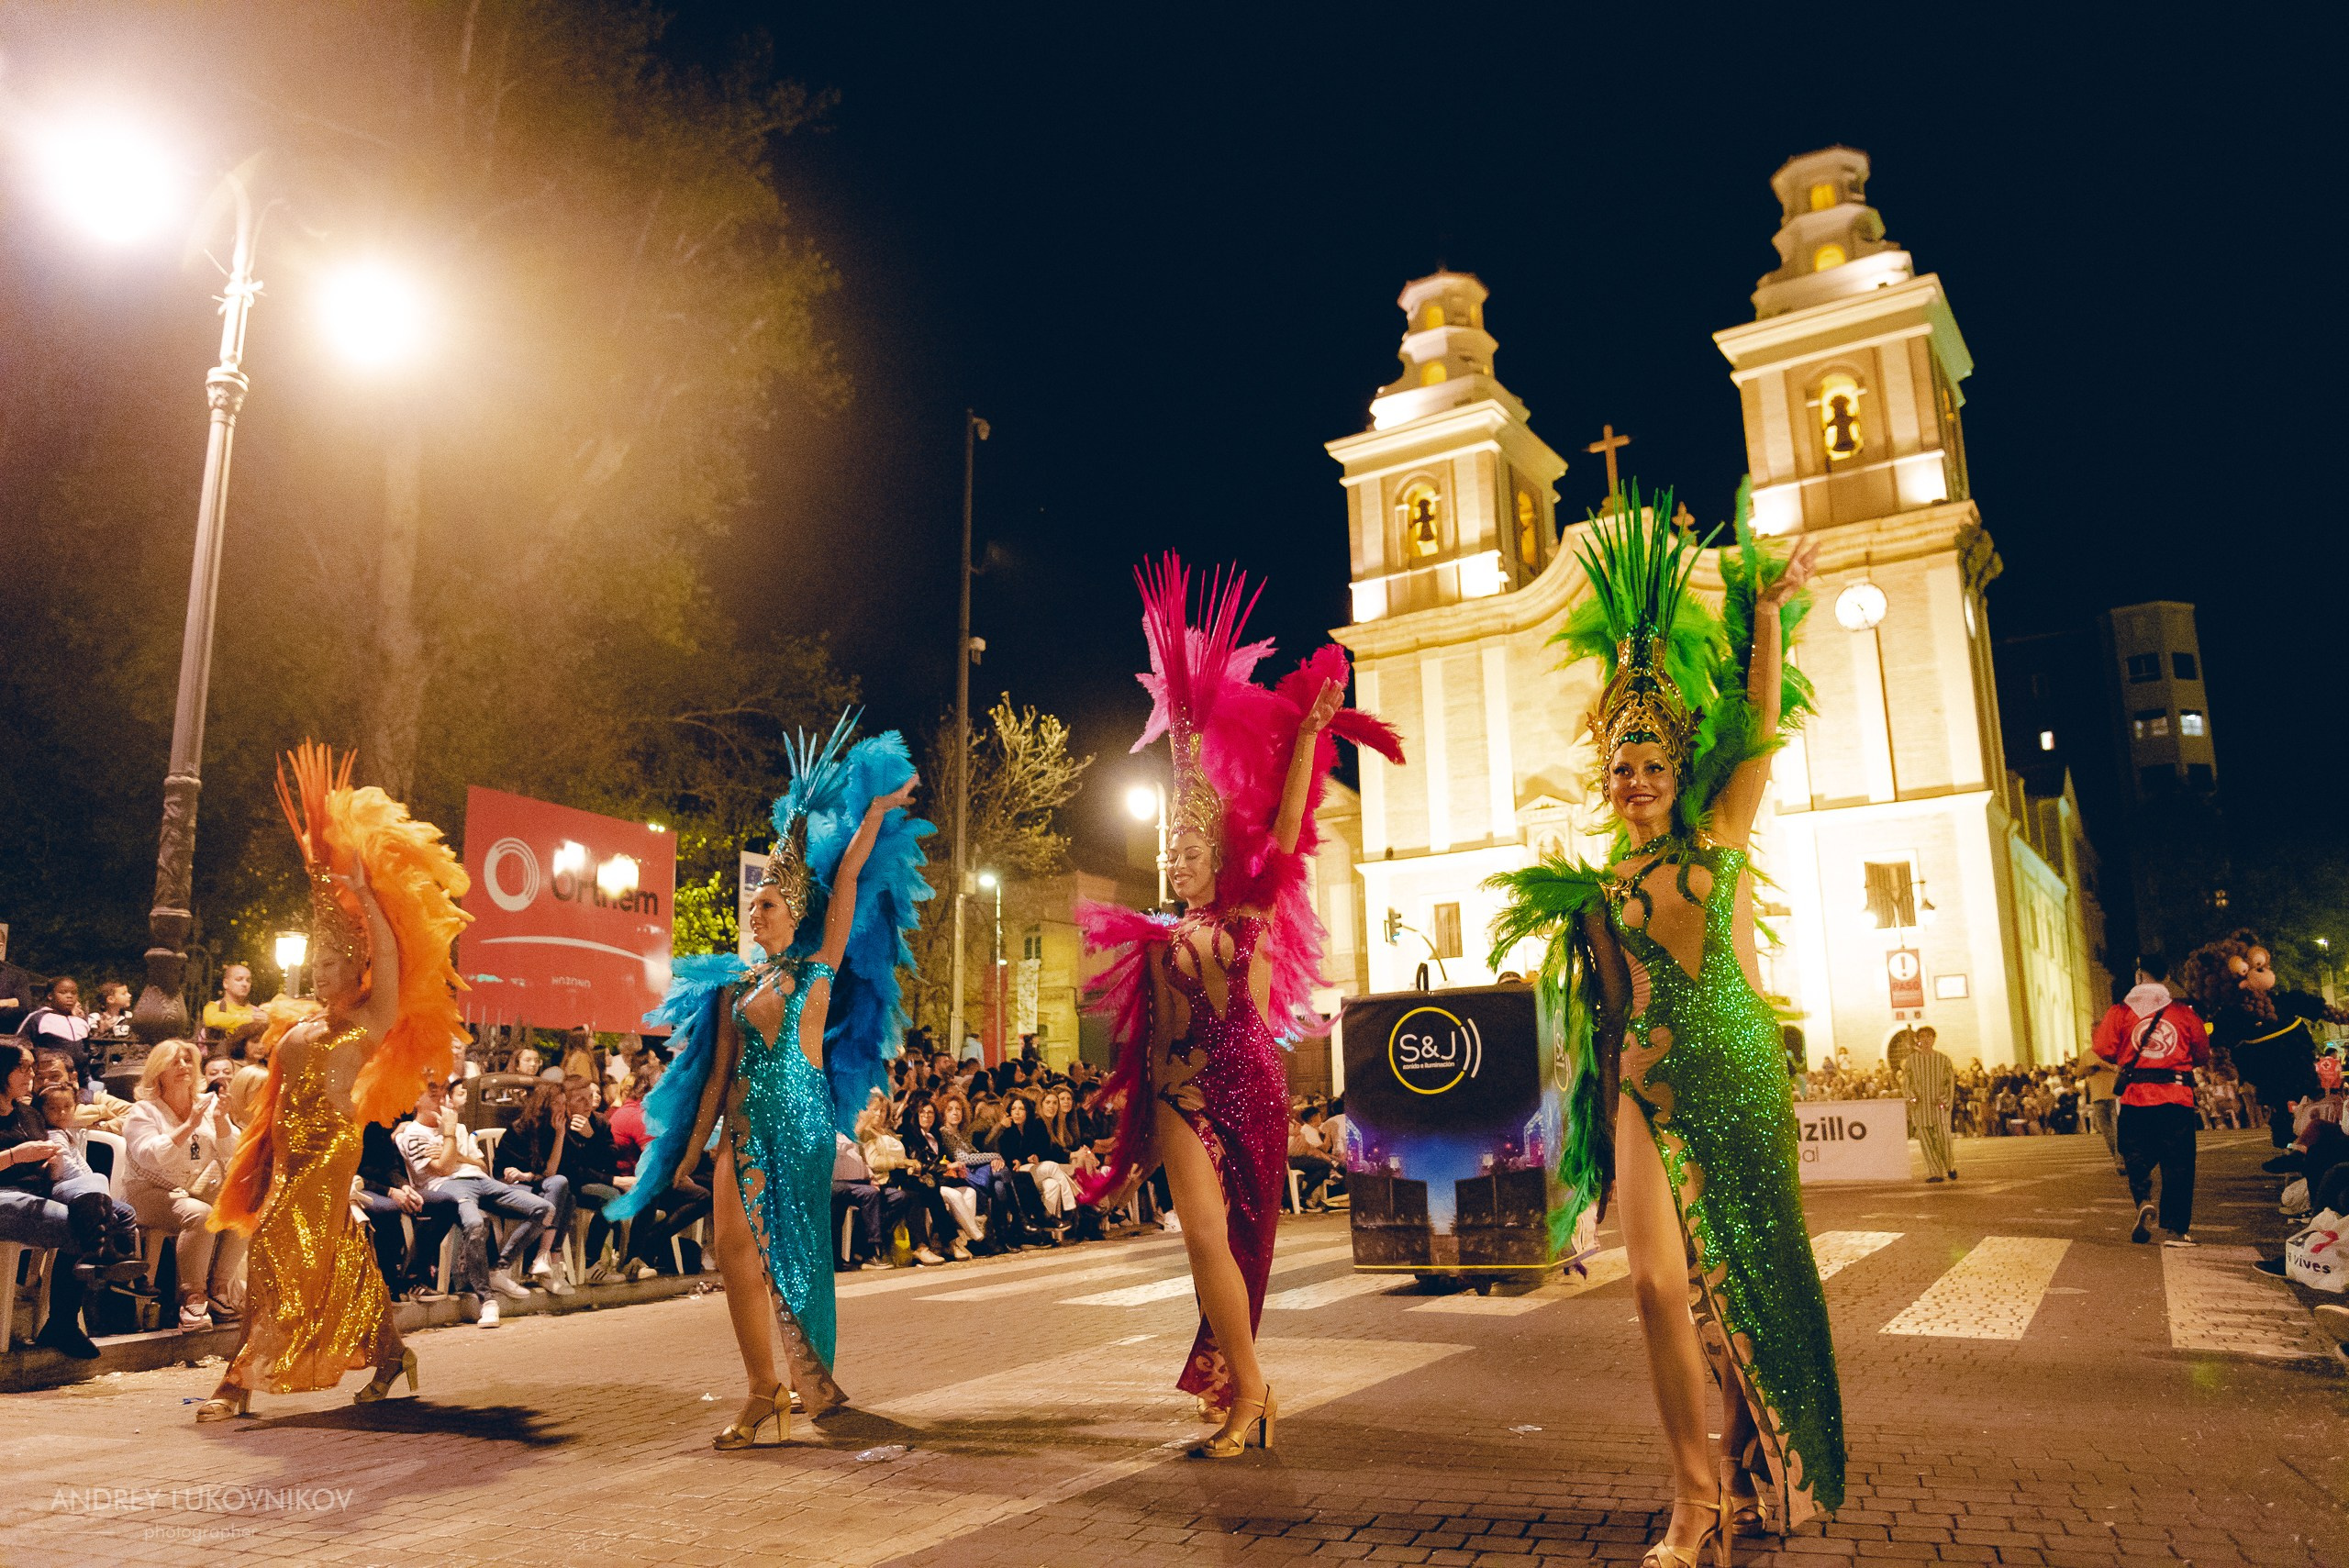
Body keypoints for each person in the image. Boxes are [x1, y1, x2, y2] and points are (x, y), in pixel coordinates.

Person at [1488, 487, 1839, 1553]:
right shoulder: (1597, 892)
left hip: (1734, 1068)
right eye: (1620, 765)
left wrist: (1768, 613)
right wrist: (1578, 1138)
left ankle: (1736, 1465)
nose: (1635, 780)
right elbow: (1600, 1022)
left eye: (1651, 763)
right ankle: (1691, 1490)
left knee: (1739, 1276)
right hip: (1643, 1083)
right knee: (1653, 1280)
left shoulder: (1721, 829)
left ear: (1678, 768)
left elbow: (1765, 723)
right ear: (1603, 777)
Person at [1080, 553, 1402, 1462]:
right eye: (1168, 847)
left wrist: (1307, 733)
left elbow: (1293, 821)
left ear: (1218, 853)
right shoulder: (1154, 936)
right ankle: (1246, 1389)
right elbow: (1144, 1045)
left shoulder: (1249, 906)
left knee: (1237, 1239)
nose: (1176, 858)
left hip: (1247, 1083)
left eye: (1190, 846)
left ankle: (1248, 1389)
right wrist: (1134, 1131)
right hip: (1180, 1094)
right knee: (1201, 1239)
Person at [607, 715, 930, 1447]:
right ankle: (763, 1390)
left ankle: (805, 1380)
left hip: (804, 1125)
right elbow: (719, 1071)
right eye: (754, 903)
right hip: (743, 1125)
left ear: (796, 913)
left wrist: (877, 810)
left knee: (794, 1252)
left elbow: (846, 878)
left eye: (769, 903)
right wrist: (691, 1150)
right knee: (731, 1249)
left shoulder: (818, 970)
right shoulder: (734, 983)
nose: (756, 911)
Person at [199, 742, 471, 1418]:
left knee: (276, 1251)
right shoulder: (297, 1029)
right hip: (288, 1155)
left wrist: (357, 882)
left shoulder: (368, 1022)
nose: (320, 973)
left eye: (331, 962)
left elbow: (384, 943)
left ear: (356, 971)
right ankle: (389, 1350)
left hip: (331, 1152)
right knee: (337, 1252)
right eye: (315, 963)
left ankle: (238, 1379)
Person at [0, 1042, 145, 1357]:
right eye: (22, 1068)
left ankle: (109, 1259)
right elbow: (15, 1160)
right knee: (77, 1224)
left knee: (114, 1209)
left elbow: (46, 1162)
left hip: (39, 1189)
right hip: (4, 1196)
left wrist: (45, 1160)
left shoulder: (28, 1114)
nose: (32, 1074)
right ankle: (65, 1319)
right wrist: (13, 1156)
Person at [394, 1075, 554, 1321]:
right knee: (475, 1224)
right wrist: (448, 1134)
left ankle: (497, 1269)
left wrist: (455, 1150)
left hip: (480, 1180)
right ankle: (486, 1299)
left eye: (443, 1091)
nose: (441, 1096)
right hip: (449, 1186)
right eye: (432, 1092)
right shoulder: (411, 1134)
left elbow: (477, 1163)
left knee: (544, 1208)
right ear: (415, 1100)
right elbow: (443, 1170)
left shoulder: (456, 1127)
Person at [121, 1040, 246, 1330]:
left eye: (188, 1060)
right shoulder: (143, 1111)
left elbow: (233, 1150)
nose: (183, 1066)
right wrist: (190, 1124)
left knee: (244, 1208)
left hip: (195, 1187)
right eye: (174, 1061)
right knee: (199, 1213)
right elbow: (151, 1157)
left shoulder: (209, 1102)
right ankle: (192, 1298)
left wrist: (220, 1122)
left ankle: (218, 1291)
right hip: (148, 1192)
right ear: (157, 1071)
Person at [2093, 953, 2210, 1246]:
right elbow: (2201, 1052)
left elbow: (2103, 1048)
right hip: (2177, 1097)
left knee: (2134, 1152)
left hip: (2135, 1097)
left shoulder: (2120, 1011)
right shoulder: (2183, 1012)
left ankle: (2144, 1197)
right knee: (2179, 1161)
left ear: (2138, 977)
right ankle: (2177, 1229)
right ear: (2166, 978)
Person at [1904, 1026, 1958, 1183]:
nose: (1926, 1040)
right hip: (1921, 1108)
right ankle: (1935, 1172)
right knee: (1926, 1141)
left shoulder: (1943, 1059)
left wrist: (1945, 1100)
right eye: (1922, 1037)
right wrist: (1912, 1097)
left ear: (1933, 1039)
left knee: (1944, 1138)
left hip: (1938, 1106)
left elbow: (1950, 1084)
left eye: (1929, 1036)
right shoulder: (1912, 1060)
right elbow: (1907, 1082)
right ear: (1918, 1040)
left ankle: (1950, 1166)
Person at [201, 965, 267, 1057]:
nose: (245, 984)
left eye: (248, 980)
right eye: (239, 979)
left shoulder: (258, 1011)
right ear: (225, 983)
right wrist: (251, 1019)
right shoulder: (214, 1007)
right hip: (221, 1065)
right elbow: (213, 1020)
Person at [1288, 1102, 1338, 1209]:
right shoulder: (1305, 1129)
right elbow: (1320, 1148)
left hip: (1300, 1156)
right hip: (1293, 1158)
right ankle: (1305, 1193)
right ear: (1314, 1117)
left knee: (1326, 1167)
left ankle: (1304, 1192)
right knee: (1327, 1165)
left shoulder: (1302, 1127)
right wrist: (1329, 1133)